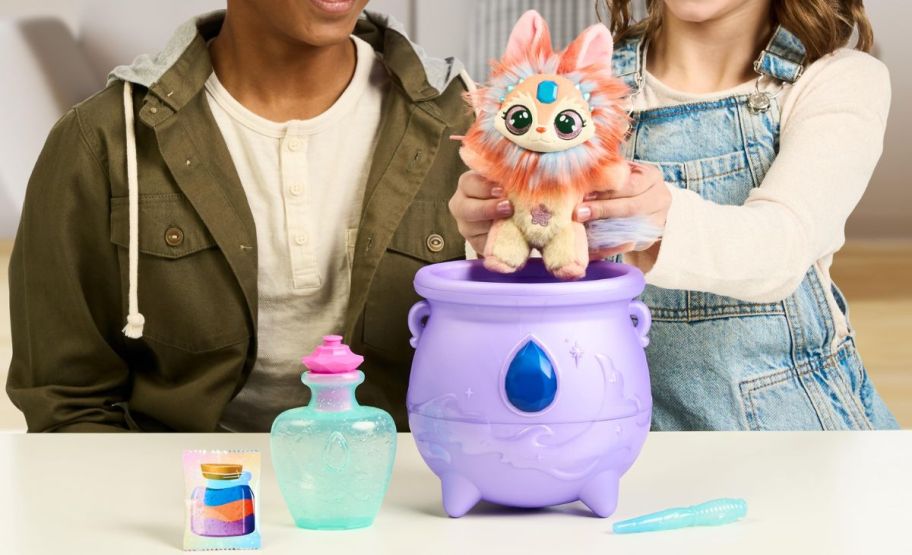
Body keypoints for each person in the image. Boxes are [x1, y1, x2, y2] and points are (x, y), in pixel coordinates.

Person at [6, 1, 472, 432]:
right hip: (173, 502)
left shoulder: (475, 133)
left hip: (413, 498)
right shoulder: (100, 142)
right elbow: (66, 401)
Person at [449, 0, 899, 430]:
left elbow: (782, 246)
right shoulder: (580, 88)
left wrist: (657, 222)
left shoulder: (840, 81)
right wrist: (492, 235)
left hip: (787, 433)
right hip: (613, 435)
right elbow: (551, 282)